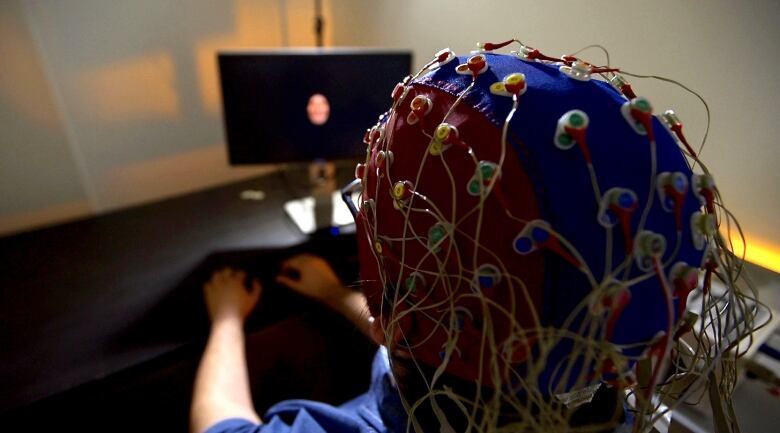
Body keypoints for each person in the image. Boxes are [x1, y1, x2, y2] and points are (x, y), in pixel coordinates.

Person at [192, 40, 756, 433]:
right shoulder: (614, 409)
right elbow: (463, 340)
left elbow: (220, 422)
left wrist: (225, 316)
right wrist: (337, 298)